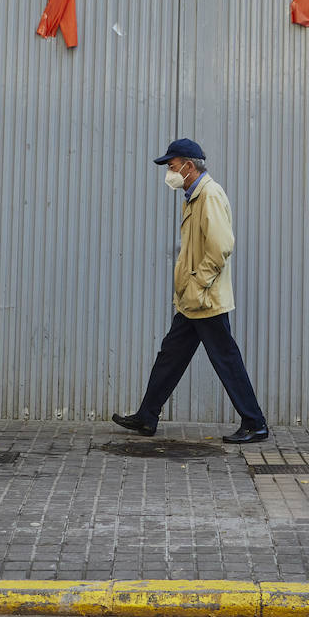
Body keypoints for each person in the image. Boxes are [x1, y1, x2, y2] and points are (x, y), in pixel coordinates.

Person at [113, 138, 269, 444]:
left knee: (226, 358)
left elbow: (221, 247)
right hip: (193, 299)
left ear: (188, 165)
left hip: (205, 298)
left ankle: (255, 423)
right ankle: (147, 415)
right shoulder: (193, 196)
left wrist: (198, 282)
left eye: (171, 166)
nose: (169, 172)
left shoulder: (209, 195)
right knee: (170, 355)